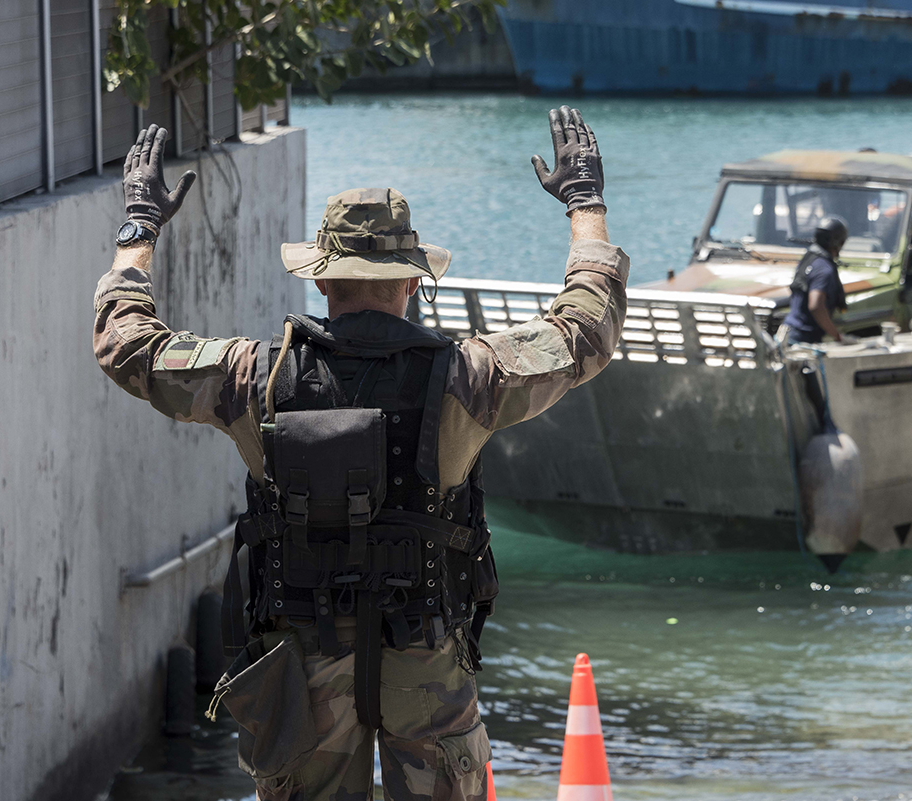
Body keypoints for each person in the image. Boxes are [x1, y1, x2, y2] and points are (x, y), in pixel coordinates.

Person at [93, 109, 628, 801]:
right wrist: (585, 204)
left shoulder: (255, 376)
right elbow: (586, 330)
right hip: (425, 661)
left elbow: (128, 346)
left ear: (321, 280)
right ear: (412, 282)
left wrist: (139, 227)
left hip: (302, 669)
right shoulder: (467, 377)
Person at [781, 217, 852, 345]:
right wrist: (837, 336)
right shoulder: (824, 269)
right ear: (839, 242)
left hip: (789, 333)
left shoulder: (809, 260)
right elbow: (816, 305)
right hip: (804, 340)